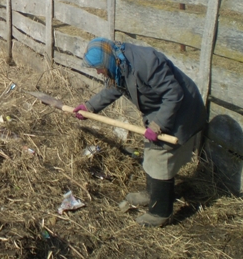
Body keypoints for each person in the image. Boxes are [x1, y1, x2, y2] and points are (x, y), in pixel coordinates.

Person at [72, 38, 206, 227]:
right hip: (162, 111)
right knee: (151, 153)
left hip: (181, 112)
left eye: (99, 67)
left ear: (107, 61)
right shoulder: (119, 63)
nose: (98, 72)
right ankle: (153, 193)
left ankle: (161, 212)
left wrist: (158, 124)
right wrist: (89, 107)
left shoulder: (146, 63)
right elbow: (114, 88)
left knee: (161, 157)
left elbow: (173, 94)